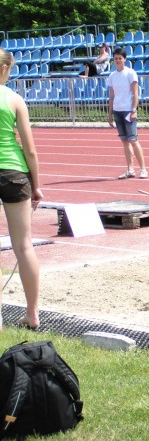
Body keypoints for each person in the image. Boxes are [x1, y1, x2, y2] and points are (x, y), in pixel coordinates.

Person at [0, 48, 43, 329]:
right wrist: (36, 186)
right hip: (14, 171)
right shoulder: (15, 99)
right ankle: (32, 314)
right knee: (24, 246)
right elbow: (29, 148)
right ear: (5, 69)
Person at [107, 47, 148, 179]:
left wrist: (134, 110)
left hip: (128, 110)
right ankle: (130, 168)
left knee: (133, 140)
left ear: (124, 59)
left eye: (120, 58)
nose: (118, 60)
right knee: (124, 141)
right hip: (117, 110)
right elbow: (111, 96)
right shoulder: (112, 76)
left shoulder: (131, 73)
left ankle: (143, 169)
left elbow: (135, 93)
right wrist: (110, 114)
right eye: (116, 58)